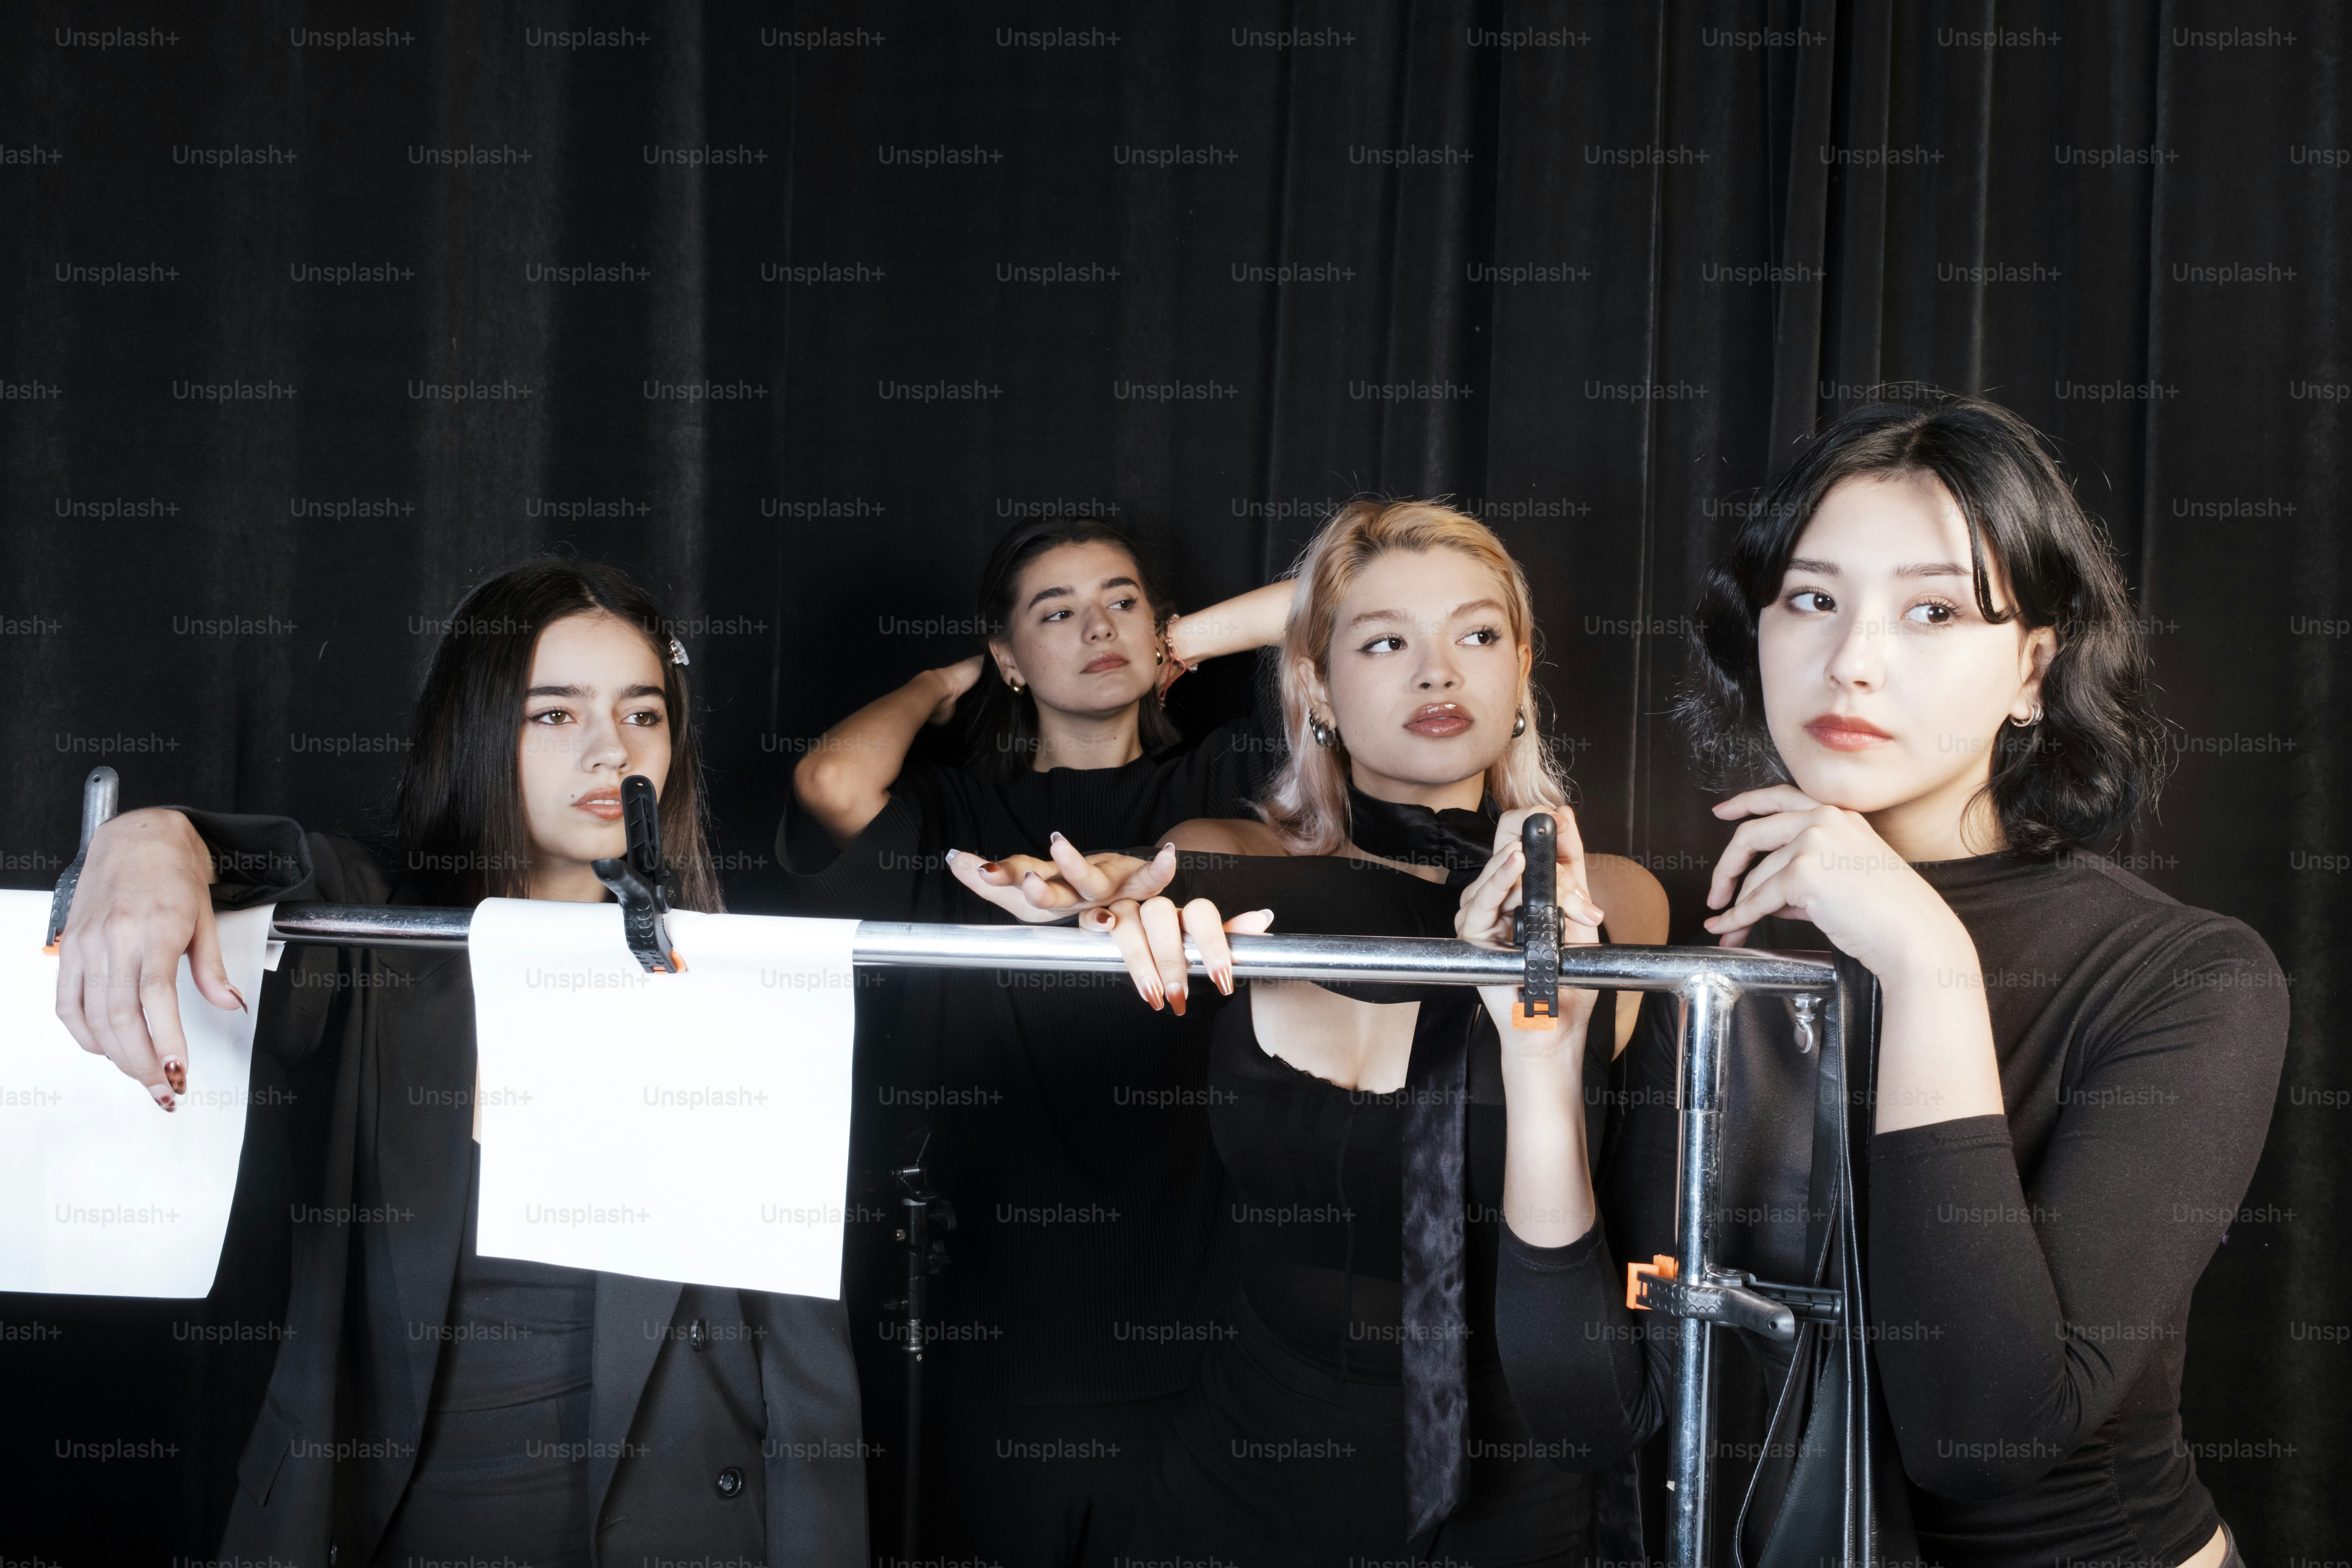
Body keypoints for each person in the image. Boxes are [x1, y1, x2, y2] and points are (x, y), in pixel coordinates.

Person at [1483, 397, 2287, 1567]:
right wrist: (1540, 1066)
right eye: (1812, 600)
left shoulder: (2189, 979)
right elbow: (1599, 1418)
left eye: (1934, 610)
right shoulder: (1729, 973)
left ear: (2034, 669)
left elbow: (1982, 1435)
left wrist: (1927, 964)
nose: (1851, 660)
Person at [55, 560, 866, 1568]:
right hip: (390, 1529)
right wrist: (148, 839)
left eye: (643, 713)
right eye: (555, 716)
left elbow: (802, 1366)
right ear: (479, 728)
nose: (613, 751)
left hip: (682, 1532)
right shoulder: (374, 928)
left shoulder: (744, 985)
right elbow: (264, 868)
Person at [949, 500, 1671, 1565]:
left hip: (1519, 1469)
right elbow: (1281, 882)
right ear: (1317, 687)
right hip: (1250, 1458)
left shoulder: (1606, 900)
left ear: (1524, 671)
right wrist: (1131, 888)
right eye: (1385, 643)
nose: (1439, 675)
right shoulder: (1224, 856)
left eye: (1478, 636)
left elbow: (1387, 909)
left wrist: (1185, 662)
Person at [778, 516, 1294, 1566]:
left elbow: (1361, 601)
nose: (1097, 626)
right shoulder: (958, 809)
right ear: (1010, 659)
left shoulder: (1234, 782)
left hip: (1198, 1313)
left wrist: (1189, 641)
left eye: (1123, 602)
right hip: (997, 1335)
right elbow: (833, 786)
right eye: (1055, 614)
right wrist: (941, 683)